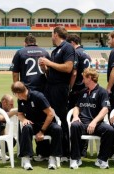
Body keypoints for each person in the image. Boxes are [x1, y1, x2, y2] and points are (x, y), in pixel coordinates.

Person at [39, 26, 75, 161]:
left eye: (51, 34)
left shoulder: (67, 48)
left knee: (61, 118)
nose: (51, 37)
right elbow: (51, 72)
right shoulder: (55, 51)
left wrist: (49, 63)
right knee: (49, 117)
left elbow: (68, 68)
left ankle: (65, 152)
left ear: (56, 34)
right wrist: (45, 68)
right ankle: (49, 151)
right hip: (51, 87)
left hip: (60, 88)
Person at [11, 81, 62, 170]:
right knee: (26, 128)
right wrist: (24, 119)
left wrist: (42, 131)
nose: (16, 96)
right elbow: (20, 114)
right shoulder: (20, 100)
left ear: (19, 93)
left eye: (15, 94)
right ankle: (26, 158)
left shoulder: (38, 96)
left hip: (45, 123)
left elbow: (50, 114)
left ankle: (53, 158)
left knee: (57, 129)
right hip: (33, 124)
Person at [69, 68, 114, 169]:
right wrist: (75, 116)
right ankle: (75, 158)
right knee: (74, 125)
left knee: (109, 130)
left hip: (96, 124)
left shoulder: (102, 92)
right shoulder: (82, 92)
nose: (83, 80)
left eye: (84, 78)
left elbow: (105, 109)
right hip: (82, 123)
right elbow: (76, 107)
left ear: (89, 78)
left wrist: (94, 122)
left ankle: (102, 159)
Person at [66, 34, 91, 110]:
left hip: (78, 86)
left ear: (72, 43)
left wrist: (70, 87)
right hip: (86, 85)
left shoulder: (76, 53)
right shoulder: (86, 52)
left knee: (73, 108)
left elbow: (74, 73)